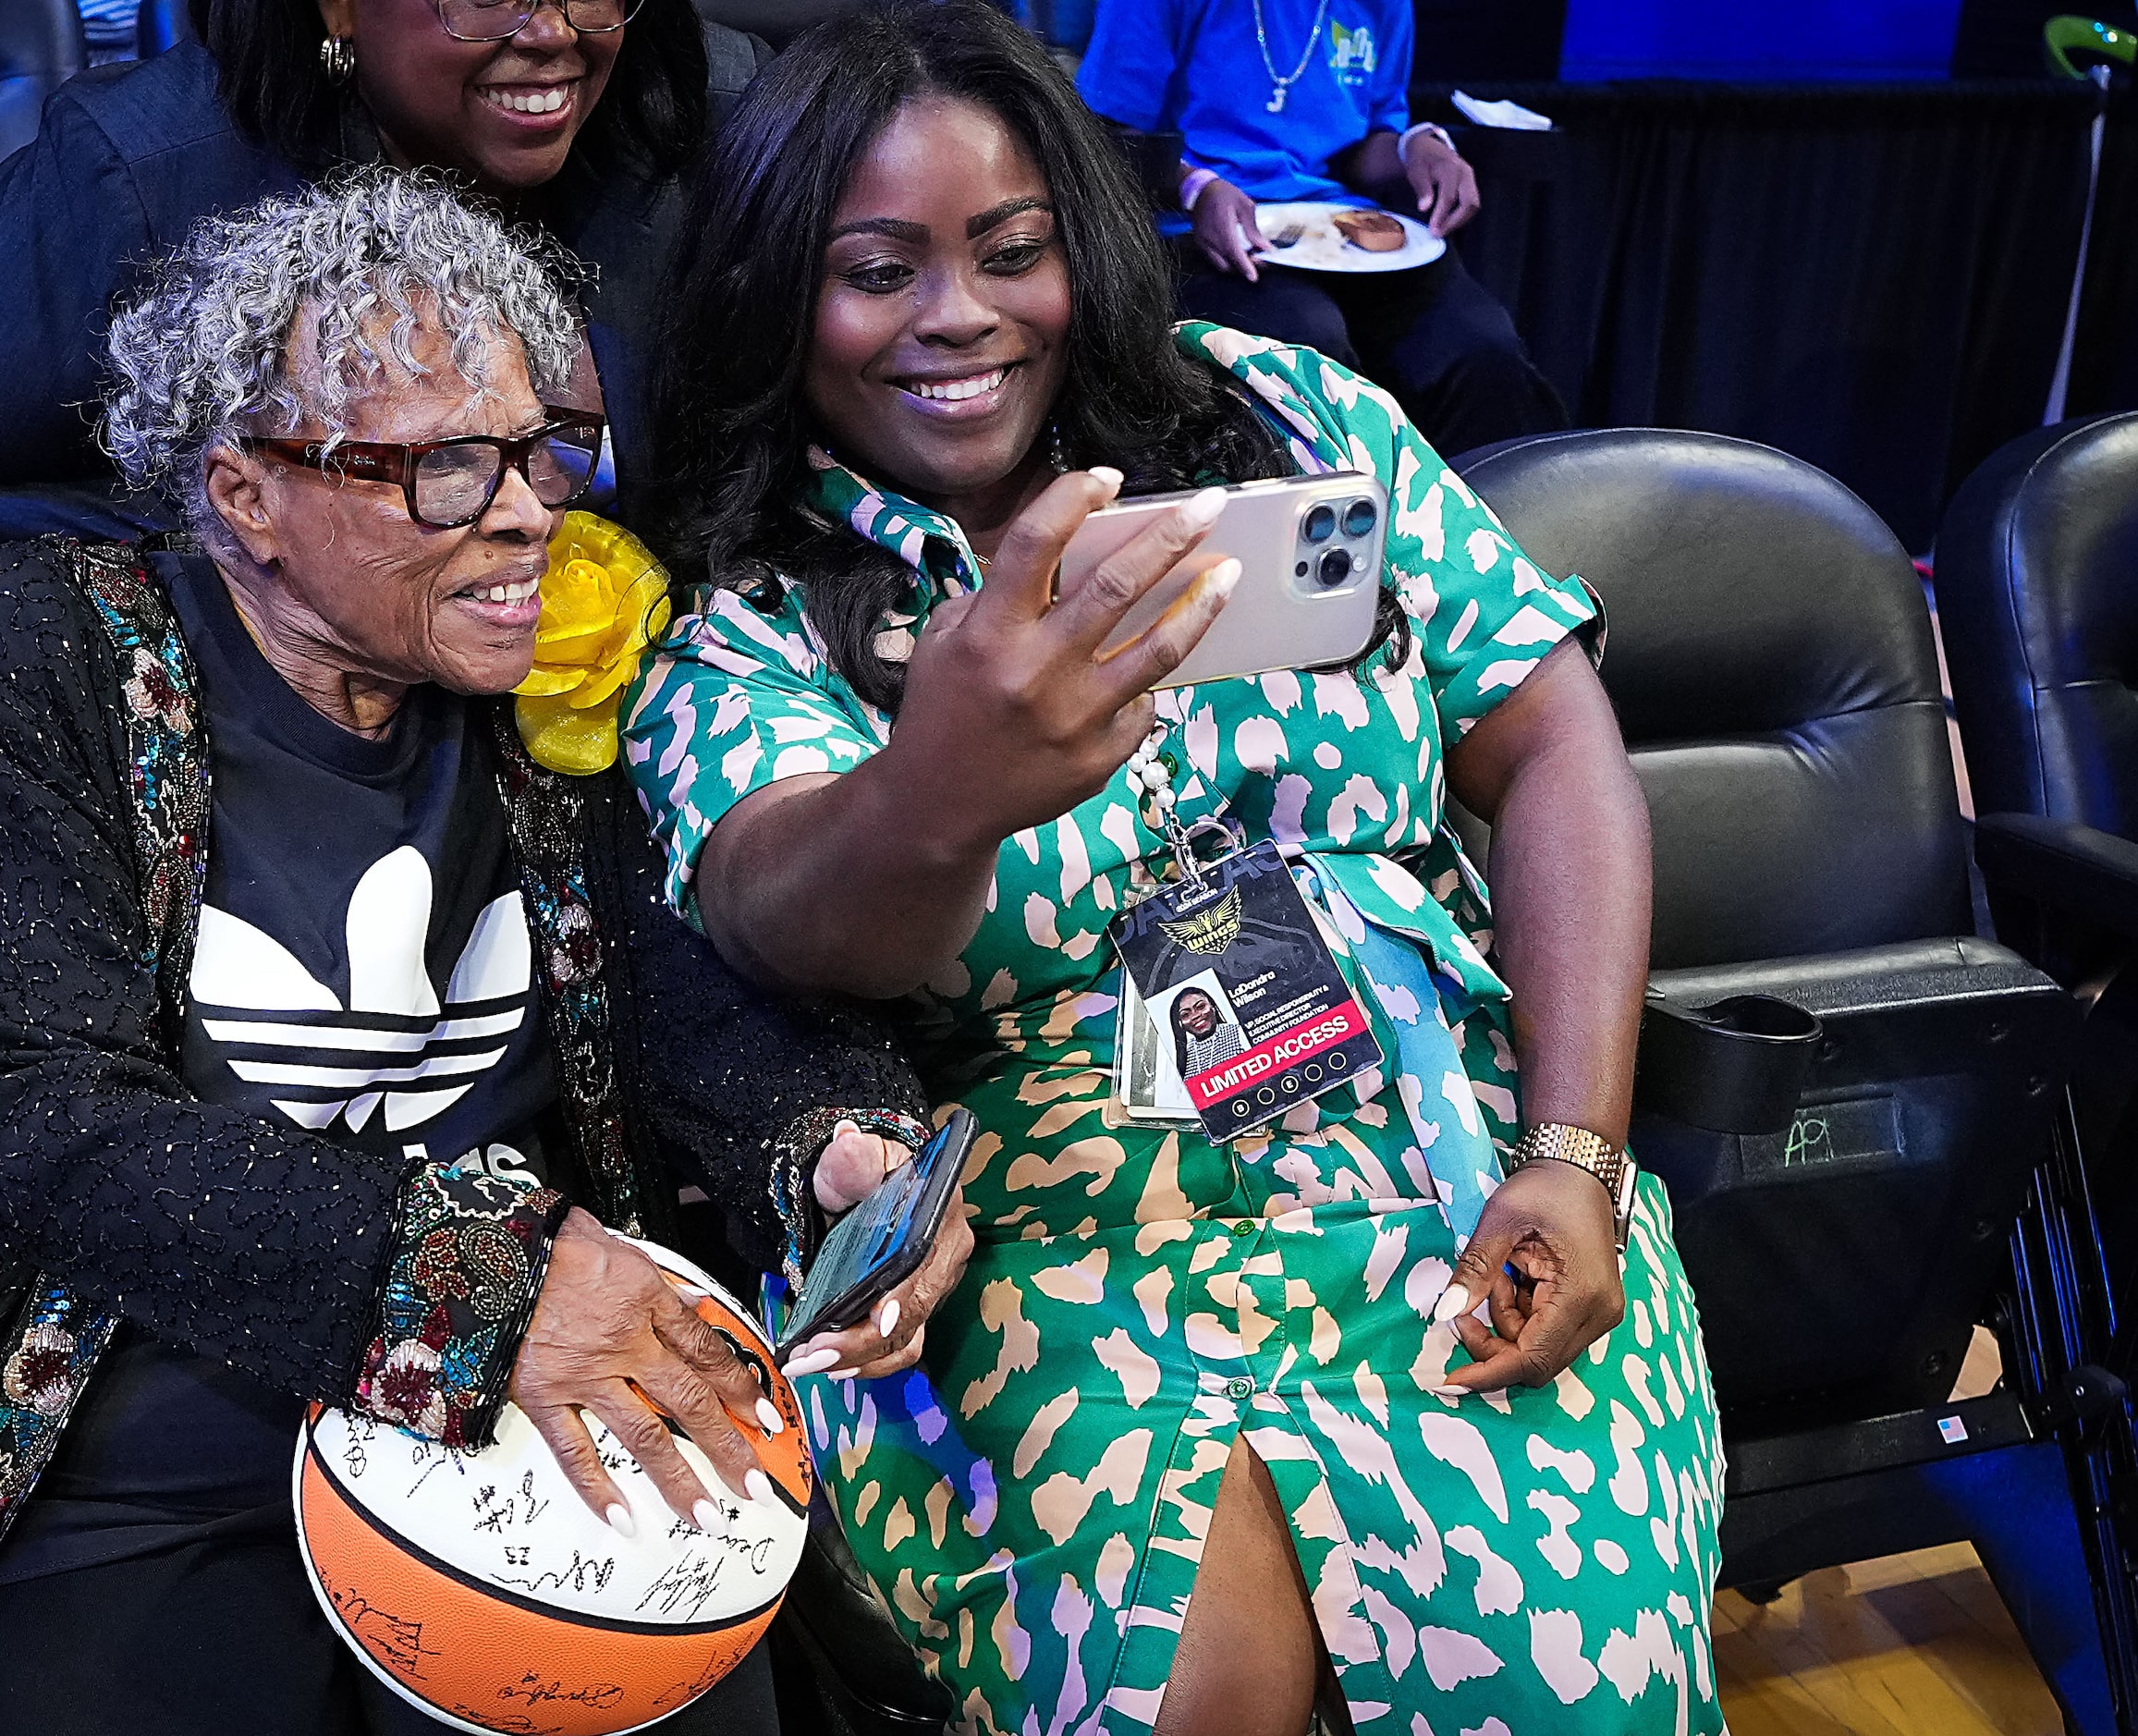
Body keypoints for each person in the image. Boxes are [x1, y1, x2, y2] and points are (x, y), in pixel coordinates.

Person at [628, 5, 1723, 1731]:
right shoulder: (753, 612)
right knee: (1194, 1685)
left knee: (1554, 1676)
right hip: (1040, 1239)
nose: (959, 316)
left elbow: (1551, 740)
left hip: (1439, 1168)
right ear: (779, 294)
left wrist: (1575, 1151)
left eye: (1009, 250)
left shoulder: (1293, 422)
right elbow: (777, 908)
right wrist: (941, 786)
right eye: (875, 268)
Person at [0, 172, 928, 1736]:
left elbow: (689, 983)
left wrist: (827, 1142)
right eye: (445, 467)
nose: (526, 511)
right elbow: (22, 1112)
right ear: (244, 492)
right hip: (125, 1437)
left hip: (527, 1436)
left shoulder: (550, 680)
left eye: (539, 449)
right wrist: (487, 1279)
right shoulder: (32, 654)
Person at [0, 0, 768, 542]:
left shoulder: (724, 118)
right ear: (338, 7)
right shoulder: (144, 171)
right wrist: (258, 555)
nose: (552, 32)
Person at [1073, 0, 1566, 458]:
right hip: (1198, 227)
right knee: (1308, 345)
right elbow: (1105, 133)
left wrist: (1414, 147)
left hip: (1332, 230)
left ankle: (1479, 537)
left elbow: (1362, 140)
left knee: (1481, 349)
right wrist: (1196, 188)